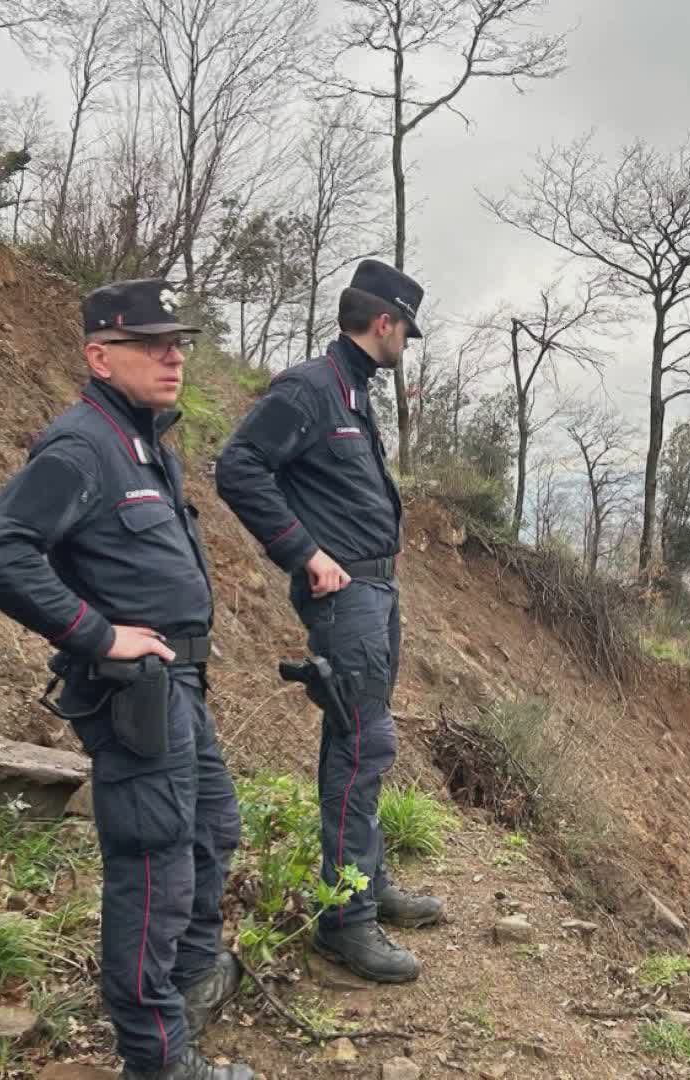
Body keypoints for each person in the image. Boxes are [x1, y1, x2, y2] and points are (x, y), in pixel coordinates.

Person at [0, 279, 254, 1080]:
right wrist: (96, 633)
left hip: (181, 690)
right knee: (154, 863)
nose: (173, 356)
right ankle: (156, 1059)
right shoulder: (81, 446)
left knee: (211, 830)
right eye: (151, 344)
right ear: (100, 356)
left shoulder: (146, 441)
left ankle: (192, 984)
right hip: (136, 697)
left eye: (179, 344)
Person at [213, 259, 444, 985]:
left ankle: (365, 885)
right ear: (384, 323)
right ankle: (345, 922)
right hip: (345, 603)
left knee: (361, 743)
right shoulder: (310, 389)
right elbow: (239, 467)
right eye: (405, 329)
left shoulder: (353, 390)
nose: (406, 341)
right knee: (362, 746)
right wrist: (305, 553)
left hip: (374, 596)